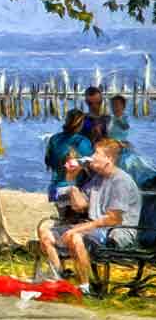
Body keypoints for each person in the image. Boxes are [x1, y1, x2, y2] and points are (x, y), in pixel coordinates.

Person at [38, 138, 141, 295]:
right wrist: (71, 181)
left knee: (75, 237)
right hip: (95, 228)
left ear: (109, 159)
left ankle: (85, 287)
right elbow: (80, 206)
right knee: (46, 234)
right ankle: (58, 280)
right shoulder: (98, 179)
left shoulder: (121, 181)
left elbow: (114, 219)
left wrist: (78, 229)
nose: (92, 156)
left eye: (97, 153)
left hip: (117, 232)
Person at [45, 109, 94, 213]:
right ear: (81, 124)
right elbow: (91, 165)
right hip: (74, 190)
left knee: (63, 220)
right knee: (76, 224)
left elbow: (48, 162)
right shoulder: (83, 141)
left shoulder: (54, 139)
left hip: (55, 190)